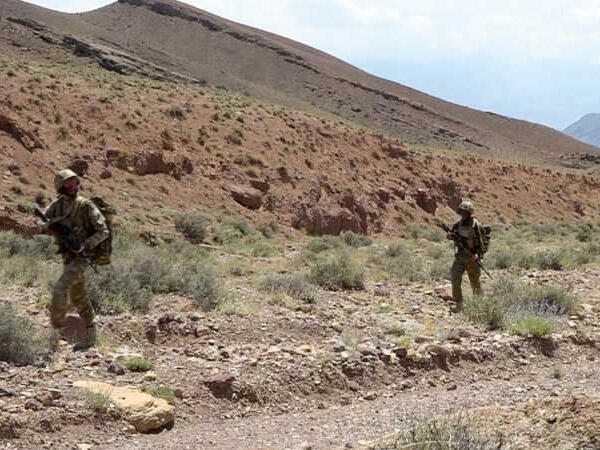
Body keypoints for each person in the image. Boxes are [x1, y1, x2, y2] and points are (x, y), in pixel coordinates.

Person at [43, 169, 109, 350]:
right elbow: (42, 222)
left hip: (82, 256)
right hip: (67, 257)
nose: (73, 187)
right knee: (78, 296)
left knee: (59, 289)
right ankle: (91, 335)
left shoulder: (85, 205)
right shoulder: (56, 206)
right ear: (60, 186)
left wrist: (86, 244)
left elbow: (103, 231)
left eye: (75, 183)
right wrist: (50, 226)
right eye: (68, 183)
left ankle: (53, 336)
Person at [448, 201, 484, 310]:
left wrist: (479, 255)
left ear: (469, 213)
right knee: (455, 278)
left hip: (472, 258)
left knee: (475, 282)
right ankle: (458, 303)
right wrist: (451, 236)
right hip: (460, 257)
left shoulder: (475, 225)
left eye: (465, 212)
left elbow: (482, 243)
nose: (463, 214)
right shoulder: (458, 225)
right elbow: (451, 234)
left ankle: (480, 305)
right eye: (462, 212)